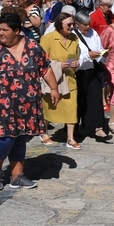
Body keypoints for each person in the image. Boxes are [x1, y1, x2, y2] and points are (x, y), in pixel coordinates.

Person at [0, 12, 60, 190]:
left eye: (4, 30)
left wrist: (54, 88)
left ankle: (17, 176)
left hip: (28, 104)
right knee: (4, 139)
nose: (0, 33)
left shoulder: (32, 46)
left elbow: (44, 68)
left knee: (21, 139)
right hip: (2, 105)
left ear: (17, 30)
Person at [39, 12, 81, 149]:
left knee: (71, 109)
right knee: (48, 108)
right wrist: (57, 65)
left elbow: (76, 55)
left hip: (69, 78)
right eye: (68, 24)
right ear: (59, 24)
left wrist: (76, 64)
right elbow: (41, 60)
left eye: (73, 24)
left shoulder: (74, 38)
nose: (71, 27)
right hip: (53, 79)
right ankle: (43, 132)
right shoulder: (48, 38)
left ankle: (70, 138)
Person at [72, 11, 111, 142]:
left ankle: (98, 128)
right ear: (77, 24)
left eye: (88, 24)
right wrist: (88, 56)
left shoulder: (93, 33)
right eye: (84, 25)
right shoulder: (72, 36)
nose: (87, 27)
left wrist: (103, 55)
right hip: (79, 72)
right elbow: (73, 57)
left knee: (95, 98)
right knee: (80, 101)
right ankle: (76, 127)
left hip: (92, 69)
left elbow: (99, 50)